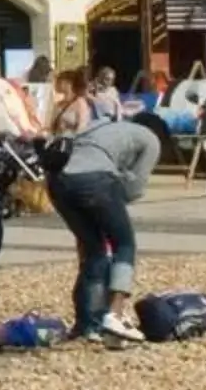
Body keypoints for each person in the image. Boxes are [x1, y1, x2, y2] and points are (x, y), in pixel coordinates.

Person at [49, 115, 157, 343]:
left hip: (57, 183)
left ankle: (87, 325)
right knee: (124, 244)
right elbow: (135, 189)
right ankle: (115, 315)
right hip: (96, 181)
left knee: (94, 250)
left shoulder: (99, 126)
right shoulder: (150, 138)